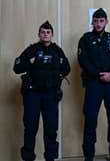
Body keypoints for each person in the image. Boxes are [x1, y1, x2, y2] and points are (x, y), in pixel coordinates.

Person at [13, 21, 71, 161]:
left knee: (51, 130)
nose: (45, 34)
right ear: (39, 34)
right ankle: (28, 158)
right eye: (43, 32)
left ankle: (50, 158)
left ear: (52, 35)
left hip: (51, 94)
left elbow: (67, 69)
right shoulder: (32, 50)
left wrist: (61, 63)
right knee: (30, 129)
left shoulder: (57, 50)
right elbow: (17, 68)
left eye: (48, 32)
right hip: (33, 94)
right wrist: (29, 62)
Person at [77, 8, 110, 161]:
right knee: (90, 119)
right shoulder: (85, 39)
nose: (98, 24)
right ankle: (89, 155)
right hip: (93, 84)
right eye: (96, 21)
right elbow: (83, 61)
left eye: (101, 21)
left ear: (106, 22)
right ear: (92, 22)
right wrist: (99, 75)